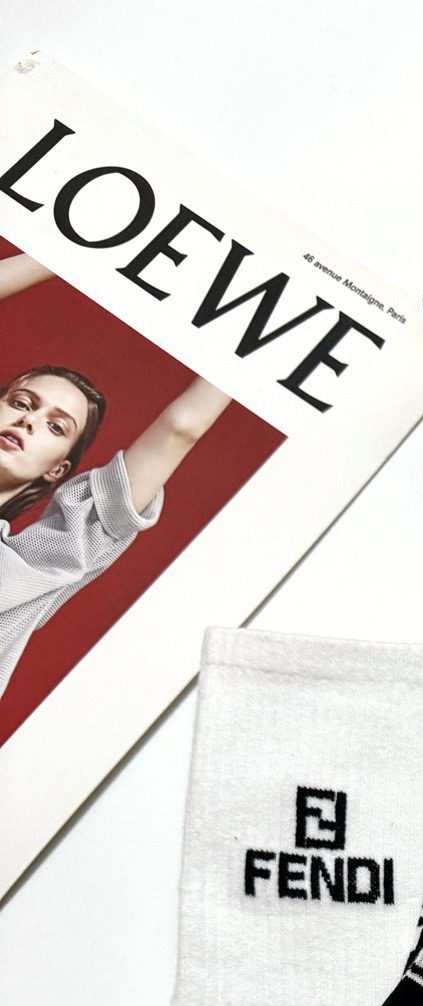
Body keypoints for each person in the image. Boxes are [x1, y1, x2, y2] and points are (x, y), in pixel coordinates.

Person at [0, 250, 232, 703]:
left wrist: (248, 336)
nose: (29, 421)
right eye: (21, 403)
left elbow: (180, 429)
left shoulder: (36, 567)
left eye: (56, 427)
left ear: (56, 470)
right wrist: (78, 244)